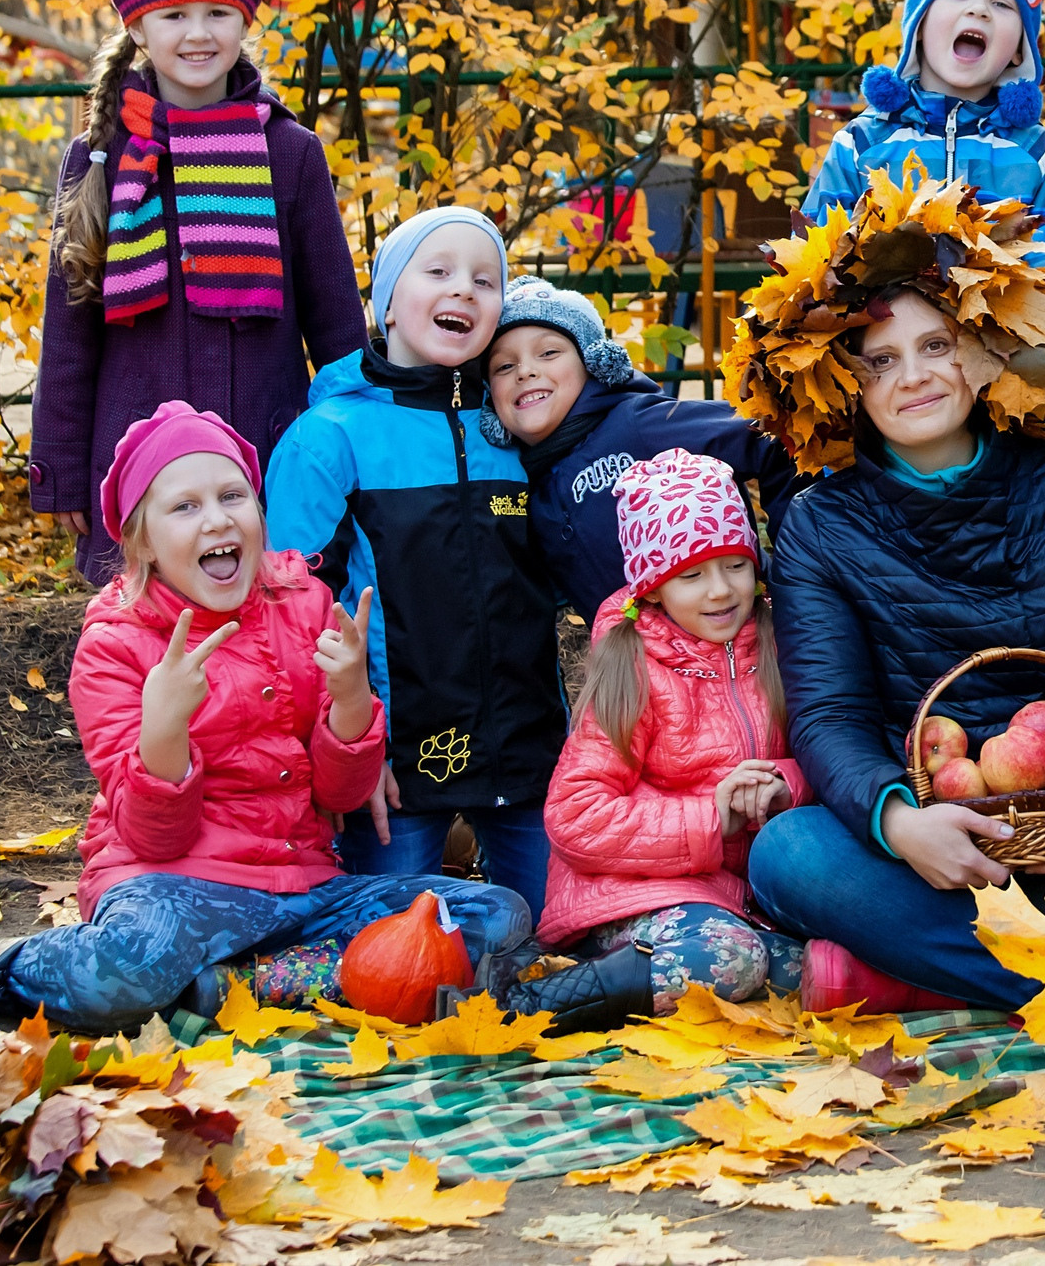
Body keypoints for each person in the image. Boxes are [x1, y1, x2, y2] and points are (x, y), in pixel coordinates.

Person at [0, 404, 528, 1031]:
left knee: (493, 916)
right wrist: (163, 728)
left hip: (304, 887)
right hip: (172, 894)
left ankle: (230, 987)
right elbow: (152, 835)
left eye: (233, 496)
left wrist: (351, 698)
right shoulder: (114, 644)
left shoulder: (306, 604)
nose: (217, 519)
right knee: (122, 971)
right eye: (185, 506)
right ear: (142, 542)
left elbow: (340, 795)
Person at [730, 175, 1045, 1010]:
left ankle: (912, 977)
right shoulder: (818, 525)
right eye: (880, 360)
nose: (913, 376)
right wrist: (901, 825)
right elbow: (830, 713)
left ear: (984, 347)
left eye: (937, 345)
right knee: (788, 853)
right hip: (930, 839)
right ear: (843, 382)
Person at [32, 0, 366, 587]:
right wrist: (60, 467)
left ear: (245, 21)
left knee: (268, 616)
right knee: (146, 621)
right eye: (174, 15)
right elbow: (69, 332)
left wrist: (356, 452)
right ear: (137, 28)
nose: (198, 33)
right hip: (133, 460)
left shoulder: (290, 153)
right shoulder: (99, 158)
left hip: (263, 451)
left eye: (218, 12)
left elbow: (336, 329)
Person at [265, 207, 563, 915]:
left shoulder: (519, 425)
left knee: (553, 935)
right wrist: (350, 752)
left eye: (485, 280)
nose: (463, 288)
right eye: (438, 271)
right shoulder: (328, 437)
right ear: (388, 303)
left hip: (527, 753)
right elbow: (289, 613)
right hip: (395, 765)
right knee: (396, 950)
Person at [531, 449, 808, 1017]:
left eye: (735, 565)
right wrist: (711, 819)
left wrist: (785, 786)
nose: (720, 591)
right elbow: (575, 814)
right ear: (653, 589)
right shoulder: (635, 668)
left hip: (736, 897)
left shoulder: (781, 646)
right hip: (634, 892)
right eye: (692, 575)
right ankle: (535, 999)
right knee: (731, 959)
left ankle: (640, 986)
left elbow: (824, 753)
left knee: (803, 969)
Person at [482, 276, 805, 623]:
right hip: (635, 656)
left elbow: (770, 438)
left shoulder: (638, 424)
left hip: (737, 639)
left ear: (593, 361)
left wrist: (799, 574)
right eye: (504, 366)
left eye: (548, 353)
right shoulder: (520, 481)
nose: (526, 372)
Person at [799, 0, 1045, 266]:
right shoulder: (862, 144)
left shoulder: (1039, 154)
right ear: (919, 24)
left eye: (1002, 4)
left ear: (1020, 49)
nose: (979, 10)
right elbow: (812, 266)